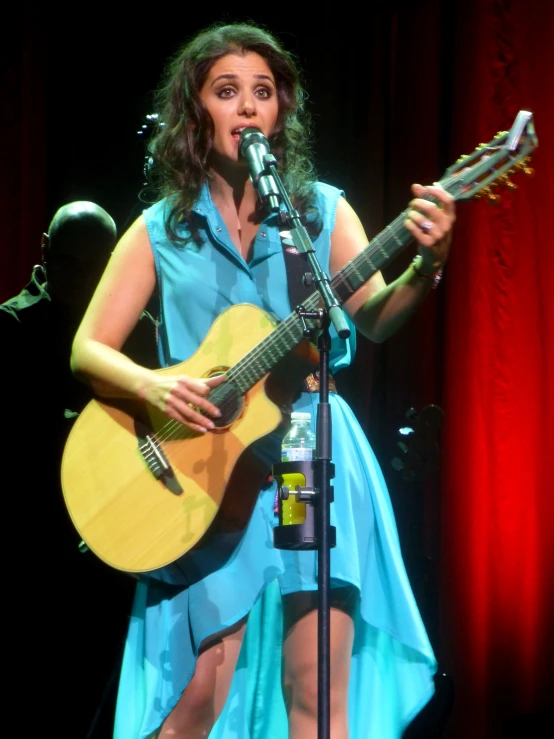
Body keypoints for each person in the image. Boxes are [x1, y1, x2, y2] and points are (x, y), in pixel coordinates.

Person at [69, 22, 456, 739]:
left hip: (313, 454)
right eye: (227, 91)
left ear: (281, 114)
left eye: (263, 92)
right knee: (191, 698)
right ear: (197, 111)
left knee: (315, 690)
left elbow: (370, 318)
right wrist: (156, 390)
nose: (248, 107)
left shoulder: (321, 213)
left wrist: (426, 266)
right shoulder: (160, 229)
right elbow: (88, 350)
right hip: (204, 474)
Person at [1, 201, 158, 737]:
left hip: (111, 548)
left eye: (92, 267)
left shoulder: (137, 332)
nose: (78, 279)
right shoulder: (13, 327)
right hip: (36, 554)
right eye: (67, 263)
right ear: (45, 250)